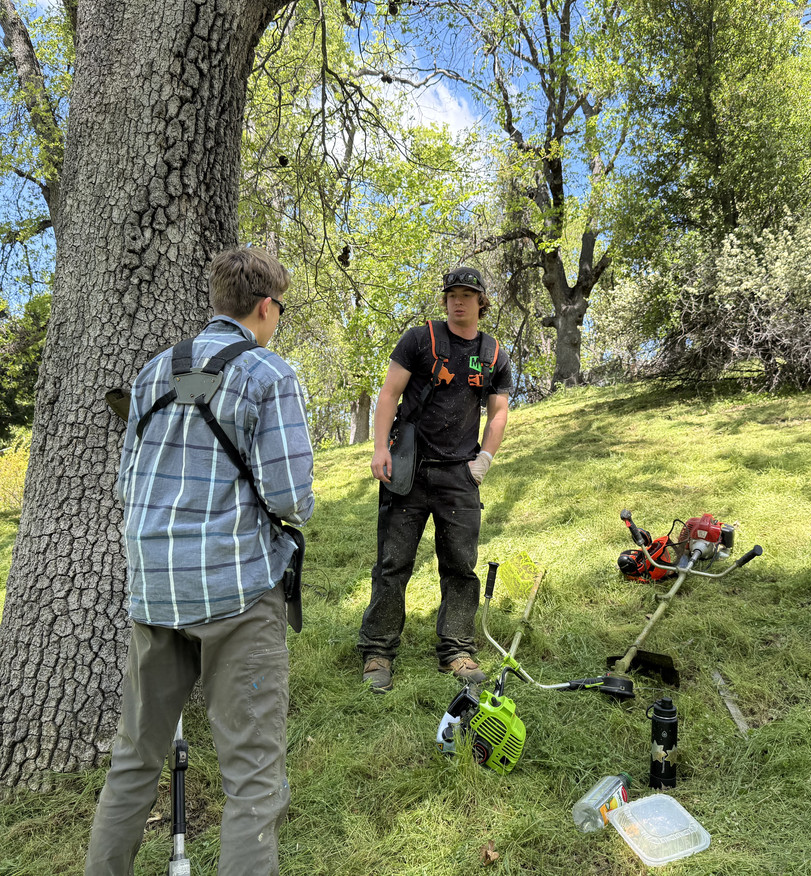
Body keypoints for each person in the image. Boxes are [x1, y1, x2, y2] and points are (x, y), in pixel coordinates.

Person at [85, 247, 315, 876]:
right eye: (280, 309)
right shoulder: (269, 375)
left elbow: (128, 479)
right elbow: (292, 496)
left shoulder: (155, 373)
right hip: (235, 592)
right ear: (266, 306)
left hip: (153, 591)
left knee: (134, 759)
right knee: (253, 775)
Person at [358, 266, 513, 693]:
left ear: (482, 302)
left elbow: (498, 412)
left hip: (460, 477)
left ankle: (457, 650)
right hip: (408, 471)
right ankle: (378, 651)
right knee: (392, 565)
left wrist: (485, 458)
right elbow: (389, 394)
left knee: (461, 567)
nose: (458, 301)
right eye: (451, 294)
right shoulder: (418, 339)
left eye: (467, 294)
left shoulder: (495, 354)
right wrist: (379, 449)